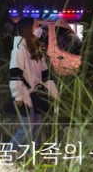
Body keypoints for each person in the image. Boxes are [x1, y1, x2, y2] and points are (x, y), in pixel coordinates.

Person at [8, 17, 59, 149]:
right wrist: (18, 96)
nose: (39, 28)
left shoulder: (36, 50)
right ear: (28, 29)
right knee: (26, 130)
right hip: (25, 96)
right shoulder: (20, 50)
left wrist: (54, 93)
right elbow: (15, 74)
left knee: (35, 128)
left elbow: (45, 74)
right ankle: (6, 154)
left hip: (37, 96)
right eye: (36, 25)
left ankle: (31, 158)